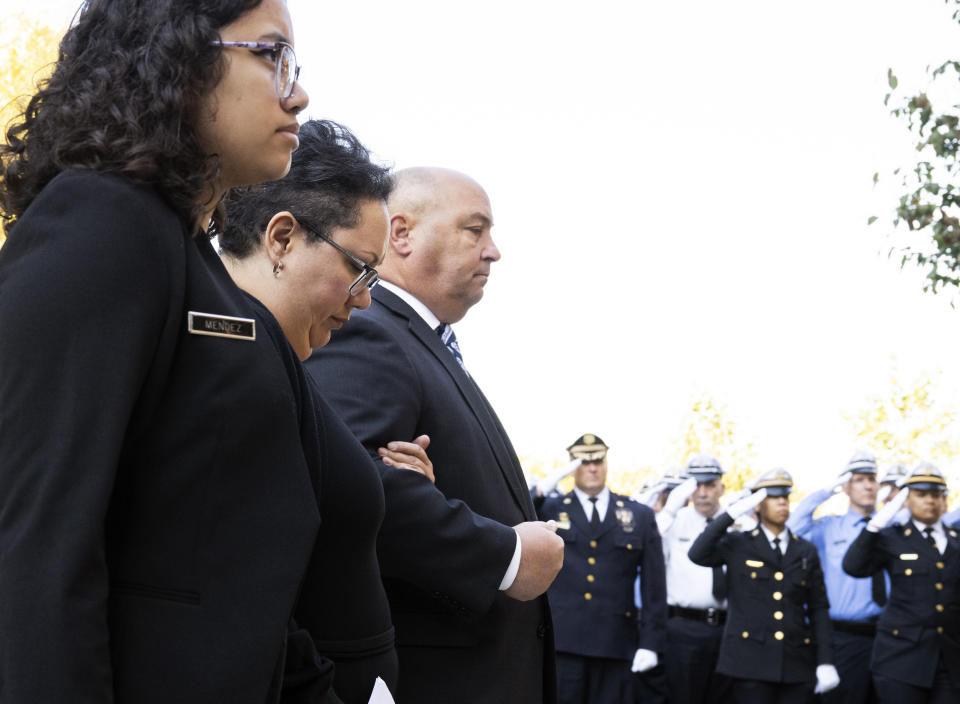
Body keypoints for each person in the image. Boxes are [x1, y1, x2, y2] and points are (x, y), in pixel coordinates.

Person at [0, 1, 330, 702]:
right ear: (176, 57)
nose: (296, 92)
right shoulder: (103, 220)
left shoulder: (180, 249)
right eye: (272, 55)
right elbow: (35, 551)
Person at [304, 166, 563, 703]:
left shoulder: (423, 341)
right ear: (400, 234)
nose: (493, 251)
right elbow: (348, 482)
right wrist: (508, 555)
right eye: (475, 229)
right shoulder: (371, 332)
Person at [222, 119, 436, 703]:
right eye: (359, 268)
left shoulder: (278, 362)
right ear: (282, 239)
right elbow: (236, 596)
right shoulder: (230, 366)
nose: (366, 297)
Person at [532, 434, 667, 703]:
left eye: (598, 461)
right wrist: (538, 492)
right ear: (571, 466)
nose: (592, 468)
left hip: (615, 642)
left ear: (606, 463)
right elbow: (512, 521)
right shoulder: (549, 506)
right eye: (583, 461)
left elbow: (654, 586)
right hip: (563, 640)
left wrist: (651, 642)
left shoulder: (637, 514)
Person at [689, 468, 840, 704]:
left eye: (785, 496)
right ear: (757, 505)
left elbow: (818, 609)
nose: (781, 502)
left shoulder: (804, 550)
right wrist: (728, 516)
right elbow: (698, 554)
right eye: (772, 497)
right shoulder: (739, 543)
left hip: (795, 663)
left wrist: (825, 661)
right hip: (750, 663)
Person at [842, 462, 960, 703]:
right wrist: (874, 525)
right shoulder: (892, 537)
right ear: (906, 499)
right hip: (901, 659)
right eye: (921, 494)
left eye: (936, 495)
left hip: (949, 659)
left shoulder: (956, 540)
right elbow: (853, 566)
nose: (930, 501)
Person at [786, 450, 886, 704]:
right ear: (846, 486)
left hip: (888, 636)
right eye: (859, 479)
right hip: (844, 637)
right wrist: (825, 492)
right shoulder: (830, 528)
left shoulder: (891, 527)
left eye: (872, 479)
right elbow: (793, 528)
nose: (867, 485)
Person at [655, 454, 735, 704]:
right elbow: (646, 544)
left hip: (729, 629)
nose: (702, 493)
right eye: (696, 485)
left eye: (710, 485)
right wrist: (669, 509)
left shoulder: (739, 522)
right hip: (684, 628)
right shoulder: (674, 521)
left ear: (722, 486)